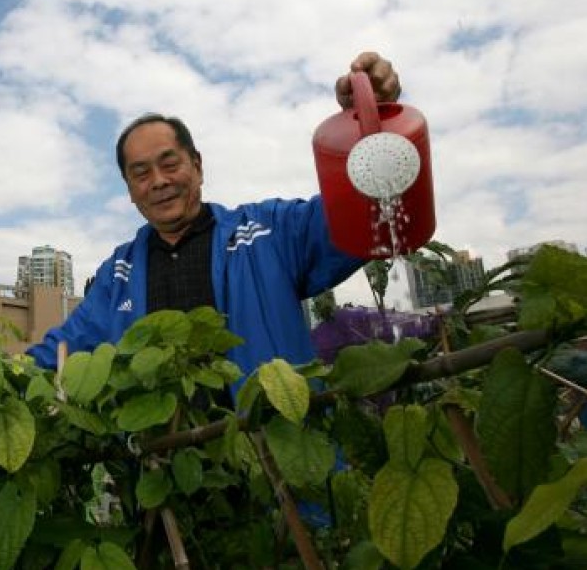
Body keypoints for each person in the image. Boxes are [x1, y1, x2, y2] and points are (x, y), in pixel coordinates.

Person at [27, 52, 402, 393]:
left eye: (170, 164)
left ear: (198, 166)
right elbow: (62, 350)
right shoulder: (118, 275)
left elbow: (366, 212)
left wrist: (373, 123)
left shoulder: (269, 232)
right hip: (165, 464)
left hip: (273, 460)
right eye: (140, 173)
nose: (158, 181)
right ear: (129, 189)